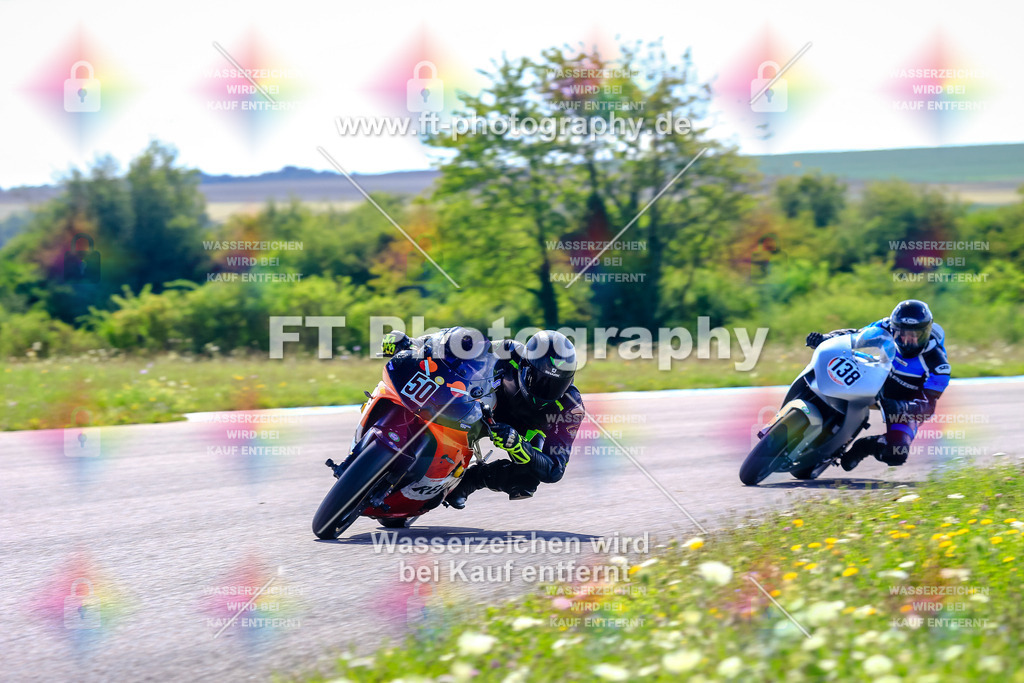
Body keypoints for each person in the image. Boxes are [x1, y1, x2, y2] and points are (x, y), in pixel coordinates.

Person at [381, 327, 585, 508]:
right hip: (484, 407)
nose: (546, 391)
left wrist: (520, 446)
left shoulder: (571, 408)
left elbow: (555, 469)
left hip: (523, 432)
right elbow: (457, 345)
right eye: (539, 380)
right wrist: (413, 344)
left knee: (526, 480)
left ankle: (472, 480)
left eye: (557, 385)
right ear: (525, 365)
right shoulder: (509, 351)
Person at [805, 299, 950, 471]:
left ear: (926, 332)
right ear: (894, 328)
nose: (907, 340)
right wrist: (825, 338)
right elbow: (855, 336)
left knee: (896, 453)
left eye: (915, 335)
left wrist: (904, 407)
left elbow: (929, 406)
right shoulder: (886, 326)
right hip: (876, 377)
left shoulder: (938, 365)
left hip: (903, 400)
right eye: (902, 333)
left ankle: (864, 446)